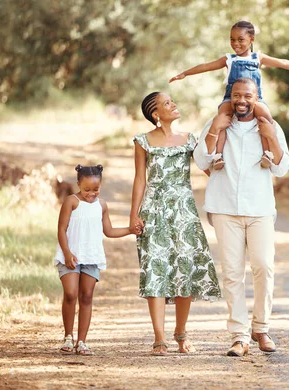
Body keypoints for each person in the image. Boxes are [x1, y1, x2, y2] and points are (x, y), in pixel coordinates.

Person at [193, 77, 289, 357]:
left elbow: (282, 168)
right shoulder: (218, 123)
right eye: (236, 95)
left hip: (259, 207)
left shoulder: (269, 127)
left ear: (256, 98)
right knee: (233, 273)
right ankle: (239, 335)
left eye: (248, 95)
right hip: (224, 207)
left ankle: (261, 327)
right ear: (230, 97)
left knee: (263, 266)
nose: (242, 100)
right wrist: (214, 130)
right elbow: (201, 161)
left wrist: (270, 135)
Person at [129, 91, 222, 356]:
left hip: (184, 213)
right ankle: (159, 338)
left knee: (185, 270)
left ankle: (181, 334)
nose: (174, 104)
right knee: (155, 270)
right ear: (156, 114)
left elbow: (209, 169)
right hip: (154, 211)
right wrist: (134, 215)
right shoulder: (143, 141)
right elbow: (139, 180)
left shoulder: (190, 140)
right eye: (167, 103)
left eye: (172, 101)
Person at [170, 20, 289, 171]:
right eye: (232, 39)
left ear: (251, 39)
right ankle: (218, 156)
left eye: (240, 39)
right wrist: (185, 73)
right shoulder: (229, 59)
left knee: (265, 116)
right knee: (222, 117)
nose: (235, 43)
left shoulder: (258, 58)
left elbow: (282, 62)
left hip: (253, 100)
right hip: (231, 98)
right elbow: (207, 66)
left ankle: (267, 154)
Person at [55, 164, 136, 356]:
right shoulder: (71, 202)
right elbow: (61, 229)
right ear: (78, 185)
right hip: (70, 255)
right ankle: (68, 336)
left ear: (101, 185)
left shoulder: (102, 205)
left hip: (91, 256)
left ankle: (82, 341)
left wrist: (130, 230)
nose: (92, 193)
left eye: (96, 189)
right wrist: (67, 253)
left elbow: (109, 231)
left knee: (86, 296)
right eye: (87, 190)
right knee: (70, 293)